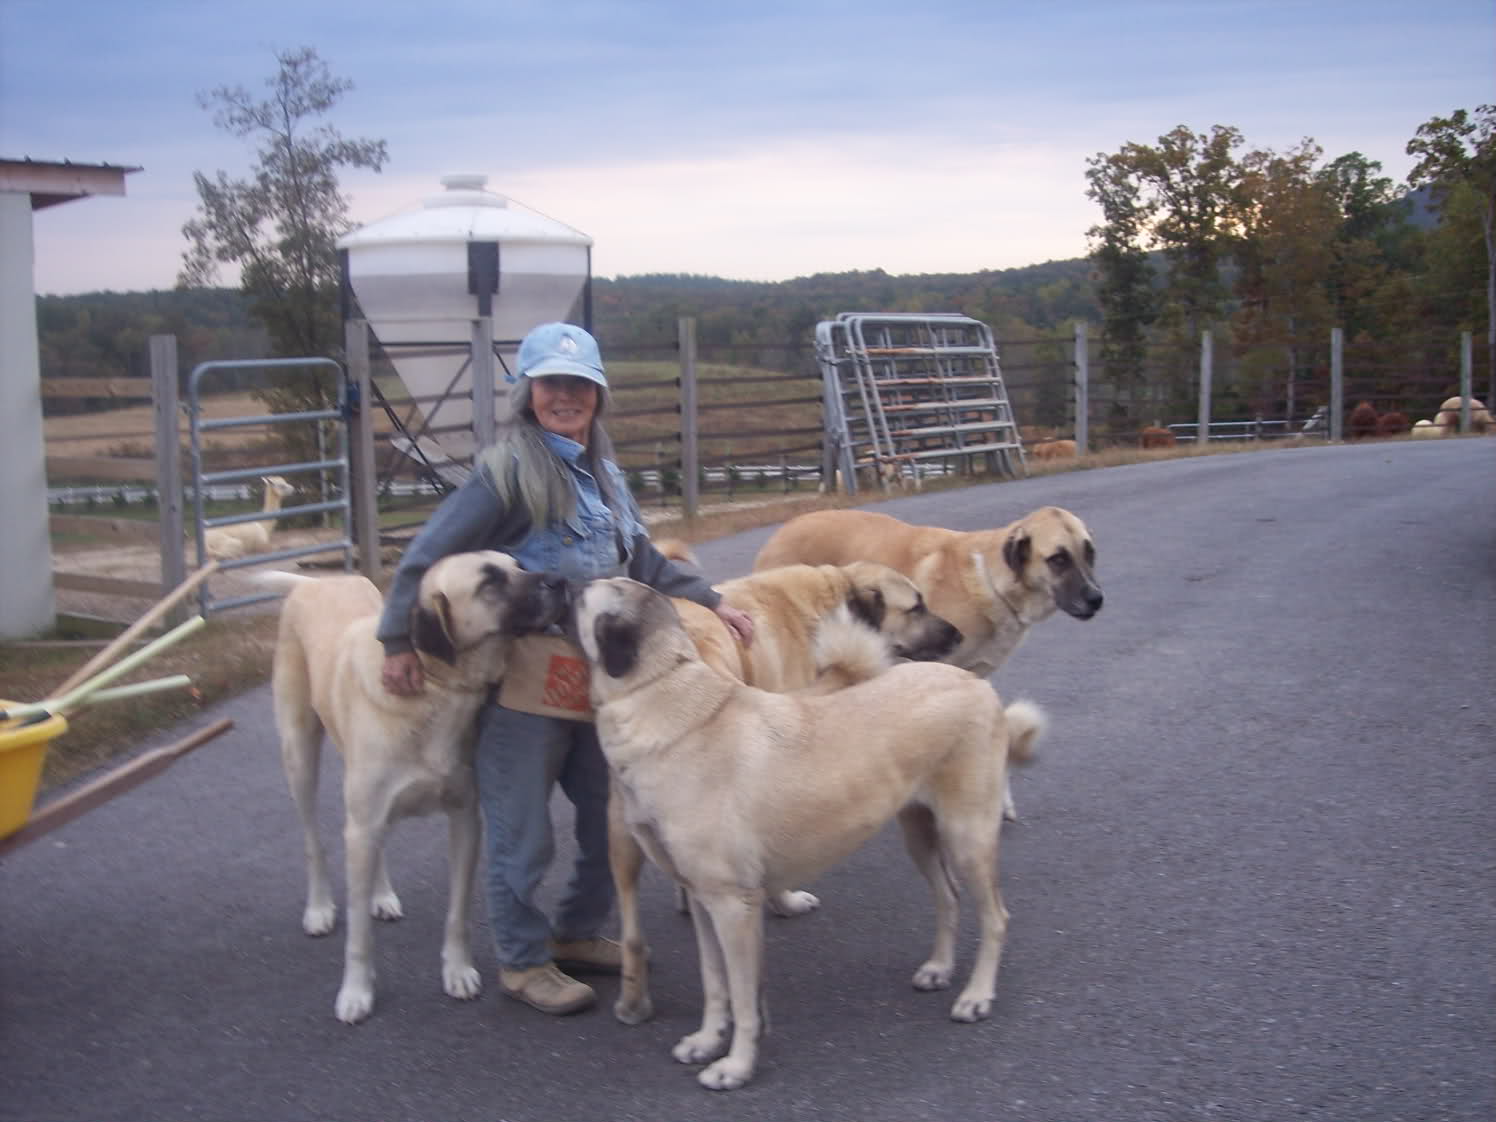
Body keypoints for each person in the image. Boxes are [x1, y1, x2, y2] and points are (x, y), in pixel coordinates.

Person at [377, 321, 753, 1016]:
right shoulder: (504, 474)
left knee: (607, 814)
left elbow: (640, 561)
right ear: (529, 393)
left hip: (599, 676)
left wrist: (714, 601)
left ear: (598, 395)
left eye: (580, 385)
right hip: (525, 675)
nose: (566, 396)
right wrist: (397, 637)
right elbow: (426, 554)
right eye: (553, 383)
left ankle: (577, 933)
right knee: (522, 825)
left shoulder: (604, 474)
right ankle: (522, 962)